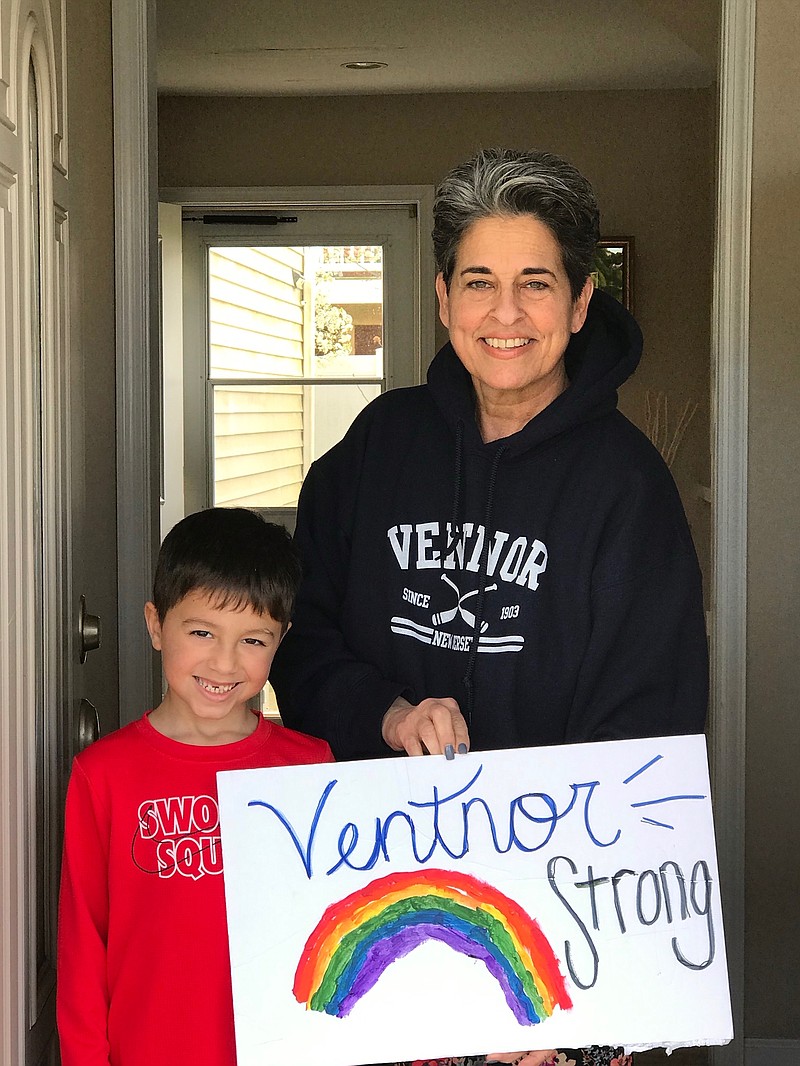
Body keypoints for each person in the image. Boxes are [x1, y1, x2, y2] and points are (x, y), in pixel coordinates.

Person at [271, 148, 708, 1066]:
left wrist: (537, 981)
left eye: (535, 283)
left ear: (582, 303)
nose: (505, 315)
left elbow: (642, 739)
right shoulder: (377, 448)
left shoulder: (628, 488)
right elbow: (299, 636)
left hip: (560, 955)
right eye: (480, 282)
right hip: (380, 929)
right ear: (442, 298)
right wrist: (384, 713)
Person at [57, 508, 334, 1066]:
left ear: (281, 642)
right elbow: (84, 949)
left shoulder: (310, 768)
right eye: (202, 632)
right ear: (156, 625)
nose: (224, 662)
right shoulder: (104, 774)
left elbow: (335, 933)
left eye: (254, 640)